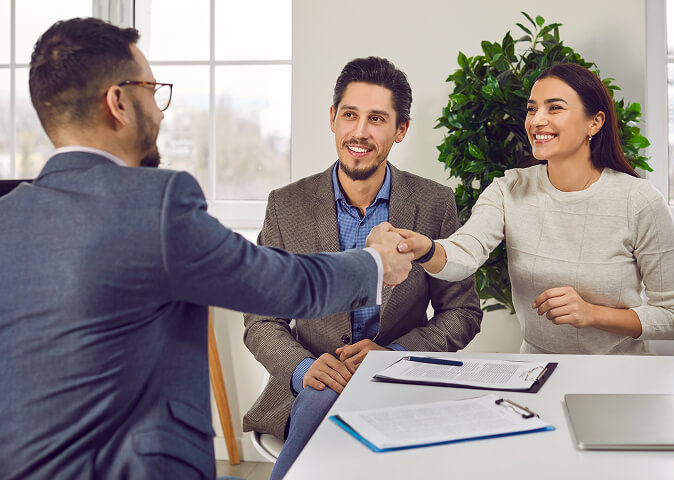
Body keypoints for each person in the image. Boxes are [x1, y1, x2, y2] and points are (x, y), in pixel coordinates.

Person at [0, 18, 414, 480]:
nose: (159, 112)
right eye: (152, 92)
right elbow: (280, 284)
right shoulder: (155, 204)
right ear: (118, 103)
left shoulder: (8, 215)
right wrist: (376, 263)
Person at [243, 56, 483, 479]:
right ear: (333, 119)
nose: (360, 131)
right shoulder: (286, 204)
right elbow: (262, 317)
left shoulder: (434, 203)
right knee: (321, 395)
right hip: (309, 382)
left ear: (400, 130)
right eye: (350, 115)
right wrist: (304, 368)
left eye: (377, 119)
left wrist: (393, 356)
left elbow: (462, 313)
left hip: (400, 381)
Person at [396, 63, 674, 355]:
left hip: (617, 377)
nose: (537, 120)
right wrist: (425, 248)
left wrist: (593, 314)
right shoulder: (508, 188)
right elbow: (465, 252)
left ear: (595, 122)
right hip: (535, 374)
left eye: (555, 108)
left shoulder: (639, 201)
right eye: (532, 109)